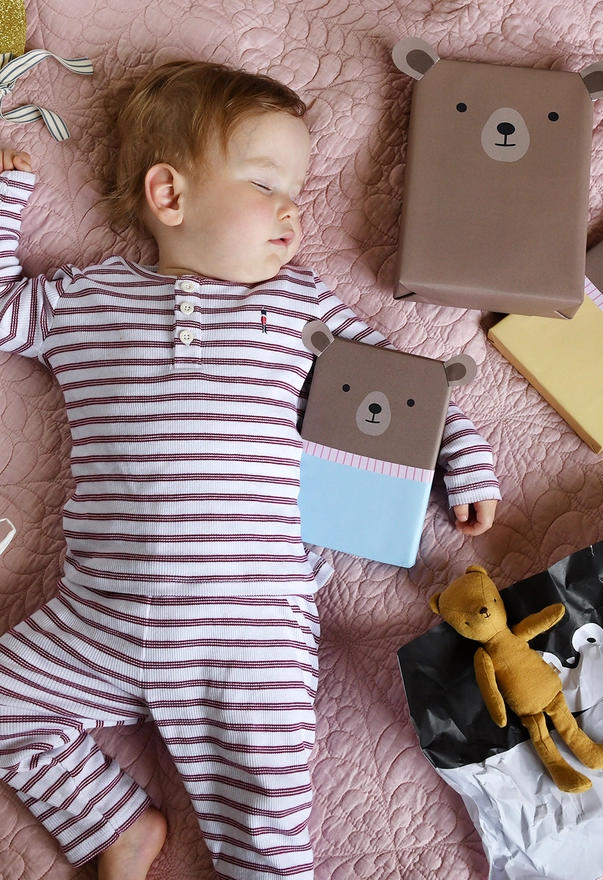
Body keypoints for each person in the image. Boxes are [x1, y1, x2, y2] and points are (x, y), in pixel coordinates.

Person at [0, 61, 500, 879]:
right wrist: (6, 206)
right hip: (100, 613)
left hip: (250, 629)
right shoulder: (81, 300)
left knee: (267, 835)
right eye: (267, 182)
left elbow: (398, 382)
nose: (293, 208)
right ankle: (114, 826)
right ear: (170, 196)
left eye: (297, 186)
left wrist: (463, 456)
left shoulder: (298, 305)